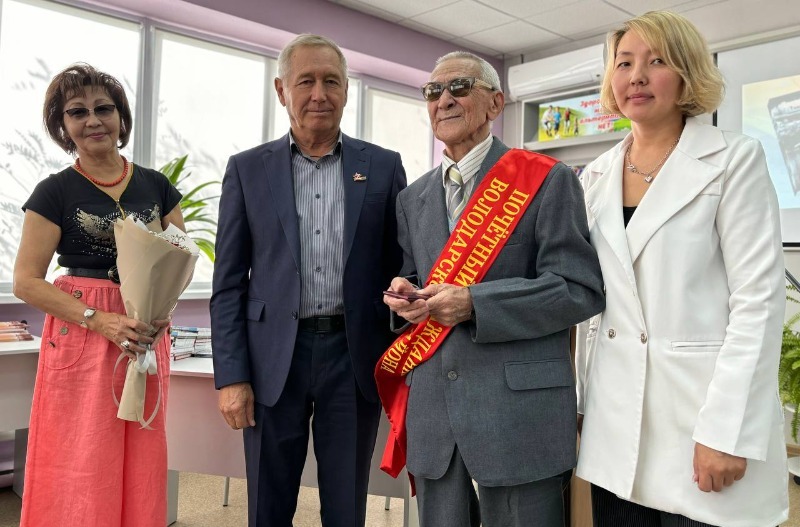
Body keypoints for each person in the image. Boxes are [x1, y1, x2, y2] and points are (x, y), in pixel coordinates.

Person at [575, 11, 789, 527]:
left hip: (700, 426)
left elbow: (758, 303)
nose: (636, 77)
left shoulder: (733, 158)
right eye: (624, 63)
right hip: (615, 430)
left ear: (688, 73)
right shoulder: (593, 177)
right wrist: (582, 404)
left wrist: (726, 432)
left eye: (657, 61)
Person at [381, 51, 605, 527]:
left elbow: (577, 289)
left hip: (519, 410)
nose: (444, 99)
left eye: (459, 87)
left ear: (495, 103)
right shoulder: (411, 198)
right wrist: (405, 295)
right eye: (433, 91)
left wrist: (474, 304)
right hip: (435, 408)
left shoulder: (547, 179)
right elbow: (415, 276)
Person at [210, 34, 406, 527]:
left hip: (352, 356)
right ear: (282, 90)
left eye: (331, 81)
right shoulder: (246, 170)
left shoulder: (383, 166)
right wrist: (232, 376)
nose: (319, 94)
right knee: (268, 505)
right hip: (273, 359)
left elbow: (402, 266)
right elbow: (228, 283)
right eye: (306, 82)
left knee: (346, 506)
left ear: (346, 91)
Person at [13, 63, 183, 527]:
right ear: (62, 126)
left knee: (142, 449)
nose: (93, 120)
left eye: (103, 109)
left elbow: (180, 258)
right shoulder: (53, 191)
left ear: (121, 118)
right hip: (82, 329)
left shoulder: (157, 185)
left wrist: (161, 309)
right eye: (77, 112)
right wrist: (98, 318)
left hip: (144, 327)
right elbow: (26, 281)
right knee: (82, 453)